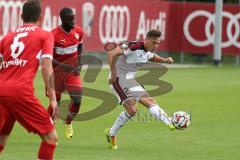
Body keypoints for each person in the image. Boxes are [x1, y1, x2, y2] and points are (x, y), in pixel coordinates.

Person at [0, 0, 58, 159]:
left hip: (1, 91)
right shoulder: (45, 35)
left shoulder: (7, 36)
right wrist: (53, 99)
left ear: (21, 16)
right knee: (51, 138)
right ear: (40, 18)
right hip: (20, 91)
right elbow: (46, 67)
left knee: (2, 136)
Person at [105, 29, 175, 150]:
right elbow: (111, 53)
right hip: (117, 80)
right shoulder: (133, 46)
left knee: (150, 102)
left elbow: (152, 57)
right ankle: (111, 134)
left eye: (158, 43)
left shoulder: (148, 51)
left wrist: (164, 60)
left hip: (130, 81)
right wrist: (112, 73)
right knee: (132, 110)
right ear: (146, 40)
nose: (156, 45)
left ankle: (169, 123)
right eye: (154, 42)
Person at [47, 7, 84, 140]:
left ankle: (68, 122)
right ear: (62, 19)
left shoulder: (78, 31)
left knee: (78, 99)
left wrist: (79, 64)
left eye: (73, 18)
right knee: (55, 102)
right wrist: (64, 66)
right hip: (56, 73)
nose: (73, 21)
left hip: (72, 72)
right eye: (69, 19)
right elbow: (48, 58)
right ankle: (49, 132)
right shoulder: (53, 35)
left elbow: (80, 46)